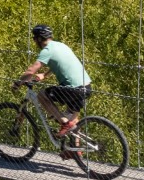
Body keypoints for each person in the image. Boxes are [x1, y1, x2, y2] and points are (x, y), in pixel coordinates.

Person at [19, 24, 91, 155]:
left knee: (42, 95)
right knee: (71, 119)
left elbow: (31, 70)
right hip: (86, 87)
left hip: (73, 88)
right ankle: (75, 150)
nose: (34, 41)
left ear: (40, 39)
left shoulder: (47, 50)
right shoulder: (61, 45)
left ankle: (64, 123)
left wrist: (18, 83)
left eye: (35, 38)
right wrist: (44, 75)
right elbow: (59, 62)